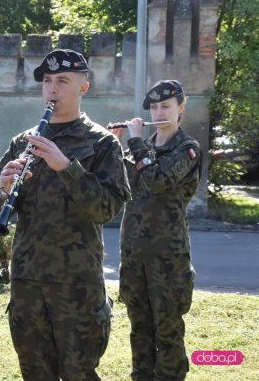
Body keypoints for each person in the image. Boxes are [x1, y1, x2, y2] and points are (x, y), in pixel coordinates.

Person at [0, 49, 131, 380]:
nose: (52, 89)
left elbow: (107, 208)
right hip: (28, 283)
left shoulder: (103, 143)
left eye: (63, 81)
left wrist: (67, 168)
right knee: (34, 372)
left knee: (80, 372)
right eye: (47, 81)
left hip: (76, 284)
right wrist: (4, 189)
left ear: (83, 87)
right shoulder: (23, 141)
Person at [109, 80, 201, 381]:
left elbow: (158, 180)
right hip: (134, 252)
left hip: (167, 255)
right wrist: (116, 144)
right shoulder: (142, 148)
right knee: (139, 326)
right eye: (154, 107)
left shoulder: (187, 149)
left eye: (166, 106)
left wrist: (136, 144)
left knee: (168, 327)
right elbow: (120, 183)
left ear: (180, 108)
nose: (159, 113)